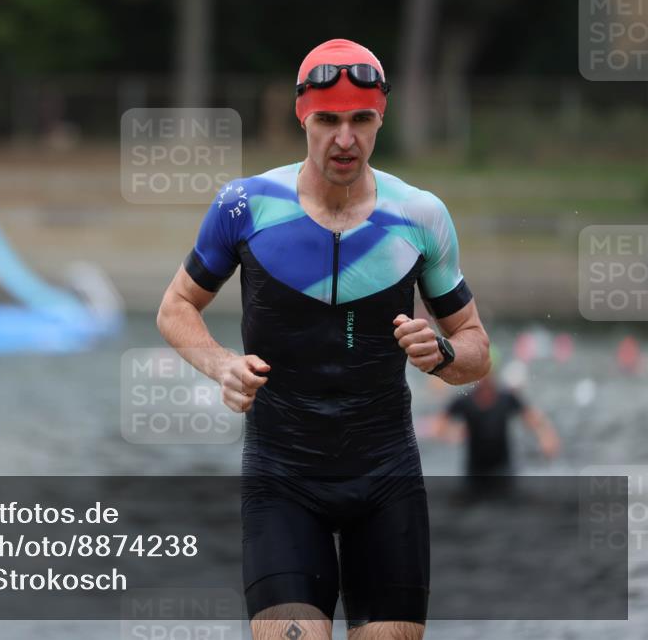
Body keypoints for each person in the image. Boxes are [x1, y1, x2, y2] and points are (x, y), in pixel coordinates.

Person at [157, 39, 491, 640]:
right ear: (301, 117)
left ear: (381, 119)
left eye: (361, 119)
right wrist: (222, 364)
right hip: (282, 478)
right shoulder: (246, 206)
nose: (345, 139)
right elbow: (176, 307)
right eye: (328, 120)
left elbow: (475, 350)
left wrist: (441, 355)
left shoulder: (420, 216)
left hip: (386, 476)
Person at [426, 357, 560, 480]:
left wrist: (546, 437)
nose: (486, 378)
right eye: (482, 373)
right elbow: (438, 426)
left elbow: (533, 418)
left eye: (489, 372)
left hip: (504, 469)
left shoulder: (506, 398)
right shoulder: (465, 401)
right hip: (475, 472)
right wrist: (453, 434)